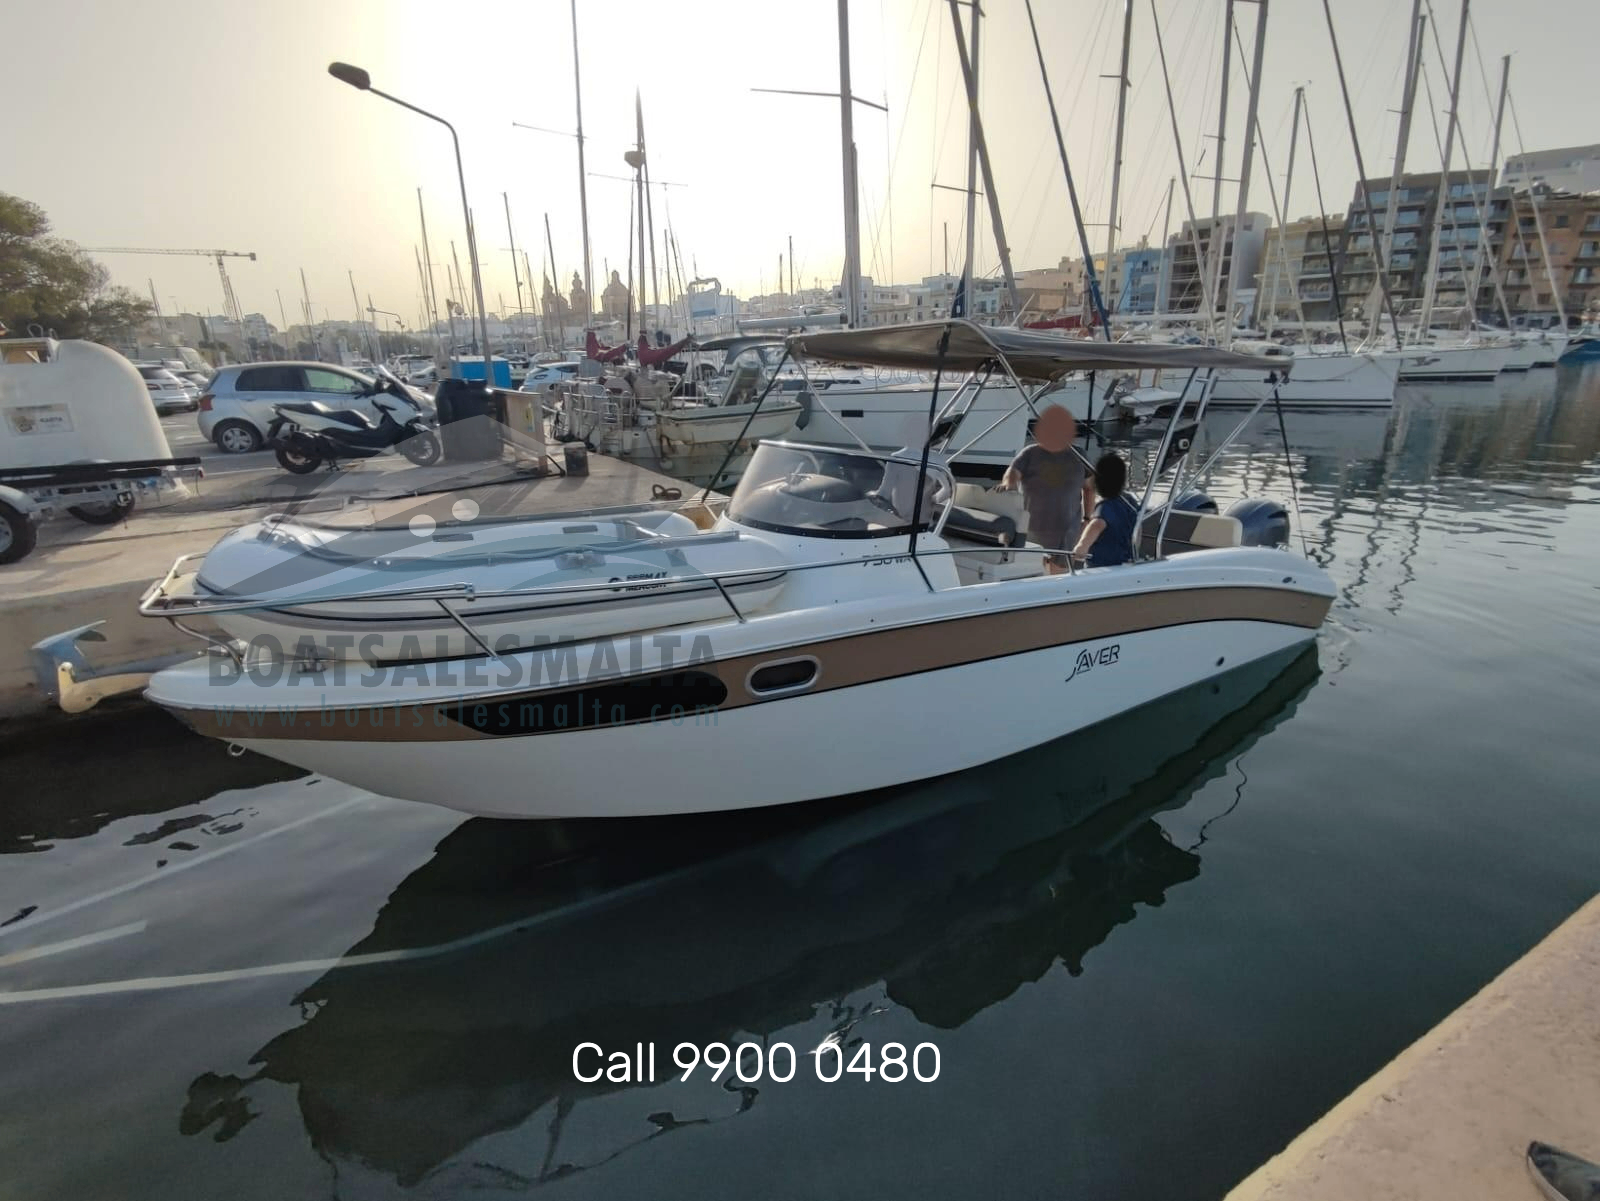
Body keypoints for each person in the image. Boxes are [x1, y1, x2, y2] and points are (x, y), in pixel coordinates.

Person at [995, 405, 1094, 575]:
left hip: (1067, 530)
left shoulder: (1080, 455)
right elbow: (1012, 473)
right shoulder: (1029, 453)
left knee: (1059, 577)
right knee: (1033, 573)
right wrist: (1007, 484)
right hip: (1033, 530)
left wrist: (1087, 518)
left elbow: (1090, 488)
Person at [1070, 451, 1139, 568]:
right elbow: (1138, 528)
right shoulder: (1130, 501)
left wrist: (1080, 548)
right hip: (1125, 562)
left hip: (1100, 566)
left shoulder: (1104, 507)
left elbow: (1097, 524)